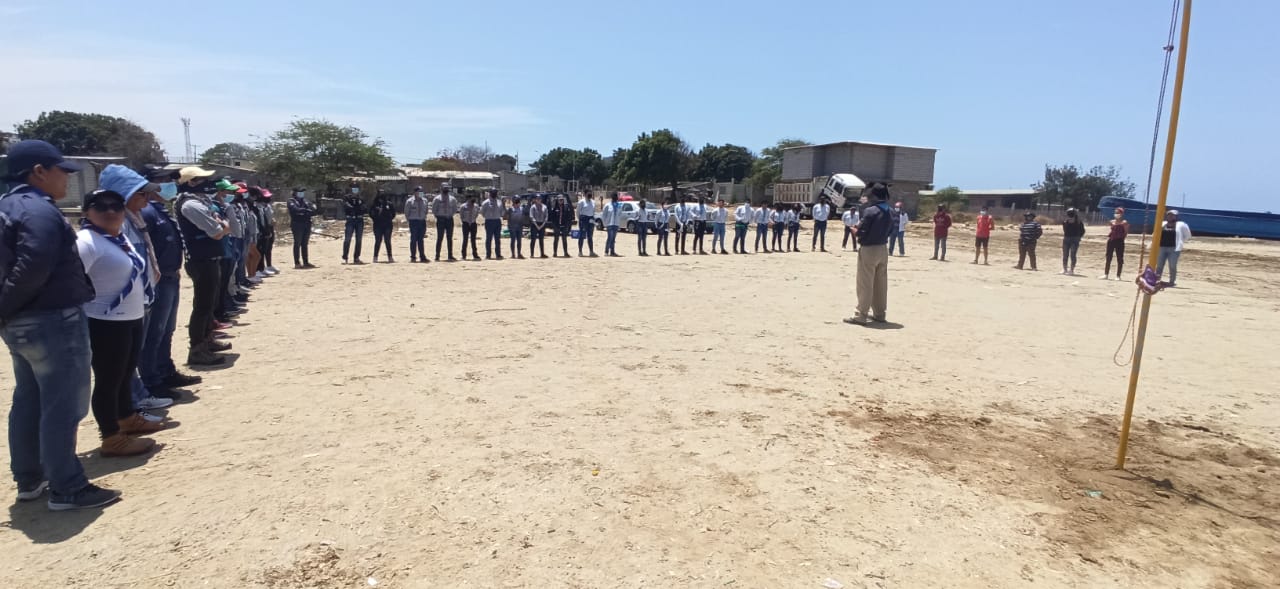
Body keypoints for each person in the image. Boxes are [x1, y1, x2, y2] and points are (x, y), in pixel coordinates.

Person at [0, 140, 122, 510]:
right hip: (51, 318)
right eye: (61, 171)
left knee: (30, 399)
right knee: (62, 405)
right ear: (39, 171)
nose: (67, 178)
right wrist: (7, 304)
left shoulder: (7, 206)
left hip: (21, 321)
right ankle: (67, 486)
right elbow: (34, 262)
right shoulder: (38, 210)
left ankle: (30, 478)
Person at [76, 189, 167, 458]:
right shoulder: (87, 242)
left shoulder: (118, 238)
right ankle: (111, 437)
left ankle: (126, 417)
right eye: (100, 206)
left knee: (125, 373)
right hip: (104, 320)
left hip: (130, 316)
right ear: (86, 212)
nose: (110, 211)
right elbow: (72, 279)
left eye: (116, 206)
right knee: (109, 379)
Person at [137, 168, 203, 397]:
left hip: (171, 276)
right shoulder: (146, 212)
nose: (169, 184)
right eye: (163, 180)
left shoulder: (160, 210)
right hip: (159, 279)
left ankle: (166, 371)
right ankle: (151, 380)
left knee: (167, 330)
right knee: (154, 333)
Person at [174, 166, 231, 366]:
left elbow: (221, 225)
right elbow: (217, 231)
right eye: (201, 179)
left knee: (209, 303)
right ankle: (197, 348)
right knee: (203, 305)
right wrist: (222, 225)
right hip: (201, 260)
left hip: (209, 258)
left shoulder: (199, 202)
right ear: (190, 182)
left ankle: (207, 339)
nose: (206, 183)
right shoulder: (190, 205)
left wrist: (221, 224)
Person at [844, 183, 894, 325]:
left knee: (865, 283)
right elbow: (891, 230)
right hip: (883, 248)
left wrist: (855, 231)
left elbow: (861, 232)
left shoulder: (870, 211)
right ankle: (880, 314)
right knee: (881, 284)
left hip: (869, 249)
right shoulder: (891, 211)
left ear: (874, 195)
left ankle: (861, 315)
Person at [1155, 210, 1192, 286]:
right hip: (1162, 247)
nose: (1170, 217)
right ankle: (1156, 280)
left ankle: (1172, 281)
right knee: (1159, 265)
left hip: (1174, 248)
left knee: (1172, 265)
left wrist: (1180, 241)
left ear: (1176, 217)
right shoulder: (1163, 224)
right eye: (1169, 215)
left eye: (1172, 215)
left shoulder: (1181, 225)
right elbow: (1156, 233)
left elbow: (1188, 235)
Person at [287, 187, 316, 268]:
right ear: (295, 193)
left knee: (304, 243)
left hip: (307, 223)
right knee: (297, 243)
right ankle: (297, 263)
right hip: (297, 224)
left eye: (302, 192)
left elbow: (313, 209)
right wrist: (305, 211)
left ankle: (306, 262)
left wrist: (308, 211)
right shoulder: (291, 201)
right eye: (300, 192)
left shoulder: (306, 201)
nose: (301, 194)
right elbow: (295, 210)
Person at [432, 184, 459, 262]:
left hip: (449, 219)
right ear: (441, 188)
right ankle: (437, 256)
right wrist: (439, 216)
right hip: (441, 219)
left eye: (447, 188)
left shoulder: (452, 199)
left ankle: (450, 255)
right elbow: (434, 210)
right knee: (440, 237)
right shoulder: (437, 199)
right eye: (444, 188)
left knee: (449, 238)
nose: (446, 190)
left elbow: (455, 209)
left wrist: (450, 215)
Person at [1101, 208, 1129, 280]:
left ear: (1121, 214)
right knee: (1108, 257)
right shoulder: (1112, 221)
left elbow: (1126, 232)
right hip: (1111, 240)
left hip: (1120, 241)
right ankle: (1106, 274)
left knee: (1120, 258)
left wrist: (1122, 239)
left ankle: (1118, 276)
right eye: (1116, 213)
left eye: (1118, 213)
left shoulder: (1124, 222)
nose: (1116, 214)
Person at [342, 183, 366, 264]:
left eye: (356, 188)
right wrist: (355, 208)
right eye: (353, 188)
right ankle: (345, 257)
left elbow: (364, 208)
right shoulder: (346, 197)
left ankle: (356, 257)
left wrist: (357, 208)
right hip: (350, 220)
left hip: (359, 220)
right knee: (347, 239)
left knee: (359, 240)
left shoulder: (361, 198)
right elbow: (346, 206)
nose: (355, 189)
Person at [404, 187, 429, 263]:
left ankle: (422, 257)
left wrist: (423, 217)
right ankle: (413, 257)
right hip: (413, 222)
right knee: (413, 239)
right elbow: (406, 212)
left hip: (422, 222)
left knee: (421, 239)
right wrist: (410, 220)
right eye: (419, 191)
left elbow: (426, 211)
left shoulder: (425, 201)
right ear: (415, 192)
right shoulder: (410, 201)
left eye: (421, 191)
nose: (421, 193)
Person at [369, 192, 396, 263]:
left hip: (387, 225)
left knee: (387, 241)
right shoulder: (374, 204)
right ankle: (375, 257)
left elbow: (393, 214)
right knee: (378, 241)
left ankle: (390, 257)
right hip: (377, 225)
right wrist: (375, 218)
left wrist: (388, 219)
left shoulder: (389, 204)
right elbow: (370, 213)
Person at [1061, 208, 1086, 275]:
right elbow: (1065, 230)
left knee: (1073, 255)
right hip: (1066, 239)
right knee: (1065, 254)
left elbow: (1083, 231)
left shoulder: (1079, 222)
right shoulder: (1065, 222)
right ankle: (1065, 269)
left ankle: (1071, 270)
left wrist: (1079, 237)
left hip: (1074, 240)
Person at [481, 190, 504, 260]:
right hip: (489, 221)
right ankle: (488, 255)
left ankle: (498, 254)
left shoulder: (499, 202)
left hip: (497, 221)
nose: (494, 194)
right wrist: (488, 216)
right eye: (493, 193)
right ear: (490, 194)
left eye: (495, 193)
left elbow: (502, 212)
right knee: (489, 238)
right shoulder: (485, 203)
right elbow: (482, 213)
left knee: (497, 239)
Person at [459, 194, 481, 261]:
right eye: (471, 198)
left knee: (473, 240)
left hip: (473, 224)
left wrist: (472, 221)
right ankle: (463, 255)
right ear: (468, 199)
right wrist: (466, 222)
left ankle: (475, 255)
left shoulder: (476, 206)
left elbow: (476, 214)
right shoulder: (463, 206)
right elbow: (461, 216)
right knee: (465, 239)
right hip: (465, 224)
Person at [576, 191, 597, 257]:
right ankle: (580, 252)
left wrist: (593, 220)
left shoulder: (593, 202)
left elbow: (594, 211)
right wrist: (581, 219)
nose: (589, 195)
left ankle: (591, 252)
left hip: (591, 220)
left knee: (590, 236)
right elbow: (577, 212)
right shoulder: (581, 202)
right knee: (582, 236)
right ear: (585, 194)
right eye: (588, 193)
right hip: (583, 219)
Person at [602, 192, 623, 257]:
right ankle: (606, 251)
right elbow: (604, 215)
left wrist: (618, 223)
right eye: (614, 197)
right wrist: (605, 223)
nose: (615, 198)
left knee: (613, 239)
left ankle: (612, 252)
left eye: (616, 197)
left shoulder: (619, 205)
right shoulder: (607, 205)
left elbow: (620, 214)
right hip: (609, 224)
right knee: (610, 237)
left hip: (616, 224)